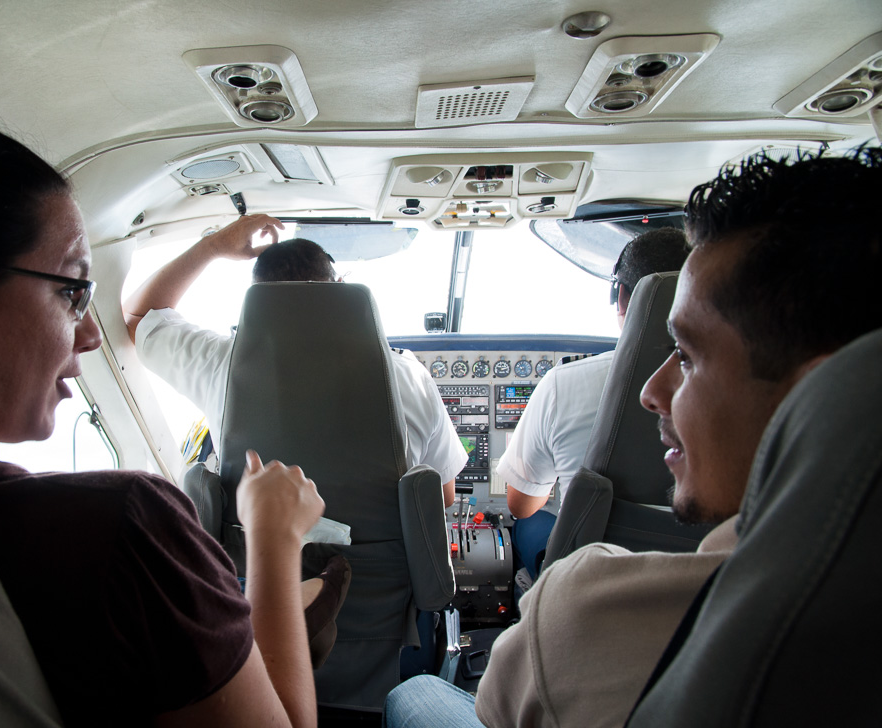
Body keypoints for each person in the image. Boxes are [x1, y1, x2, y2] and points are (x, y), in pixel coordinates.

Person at [0, 85, 341, 728]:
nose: (90, 334)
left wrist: (214, 246)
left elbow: (146, 316)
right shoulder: (122, 529)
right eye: (72, 291)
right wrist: (275, 541)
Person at [384, 145, 882, 728]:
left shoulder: (589, 605)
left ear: (823, 390)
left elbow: (519, 504)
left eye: (688, 356)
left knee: (415, 694)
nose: (651, 392)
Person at [123, 223, 468, 506]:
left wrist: (212, 247)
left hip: (258, 576)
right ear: (341, 291)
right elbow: (443, 495)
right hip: (382, 584)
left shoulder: (218, 364)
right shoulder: (411, 377)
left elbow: (138, 316)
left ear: (258, 305)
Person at [497, 227, 690, 578]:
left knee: (528, 524)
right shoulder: (750, 386)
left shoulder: (563, 384)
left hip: (591, 578)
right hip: (706, 576)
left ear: (621, 298)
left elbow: (520, 504)